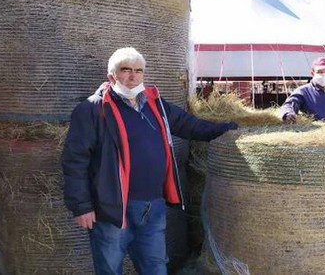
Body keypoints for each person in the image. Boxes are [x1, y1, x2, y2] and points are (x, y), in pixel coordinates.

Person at [61, 47, 237, 274]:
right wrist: (81, 206)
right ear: (111, 75)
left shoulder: (156, 105)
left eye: (138, 70)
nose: (133, 76)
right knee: (109, 269)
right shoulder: (92, 110)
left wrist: (229, 129)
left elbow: (189, 125)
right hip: (111, 209)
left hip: (152, 207)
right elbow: (75, 161)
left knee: (155, 268)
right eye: (125, 70)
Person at [279, 56, 325, 123]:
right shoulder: (303, 91)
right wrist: (287, 114)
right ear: (312, 73)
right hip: (318, 134)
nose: (323, 74)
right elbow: (289, 104)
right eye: (319, 72)